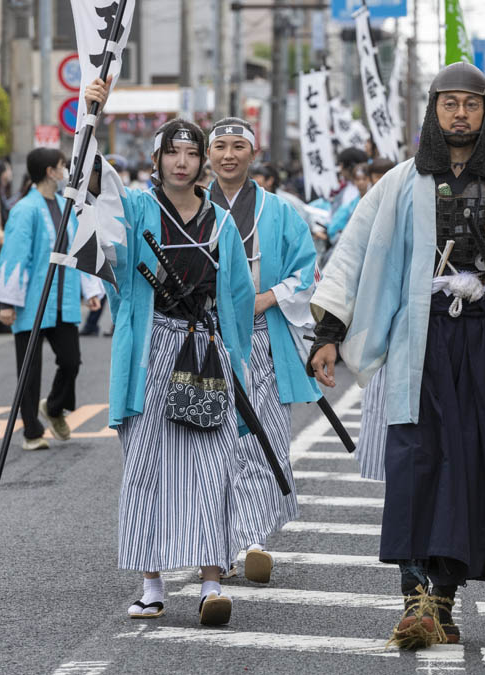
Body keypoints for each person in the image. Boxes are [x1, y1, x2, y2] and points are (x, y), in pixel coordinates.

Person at [308, 62, 485, 648]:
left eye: (470, 104)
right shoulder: (400, 181)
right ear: (433, 110)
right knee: (416, 461)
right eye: (449, 103)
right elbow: (351, 256)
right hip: (418, 343)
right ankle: (413, 597)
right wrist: (328, 332)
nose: (459, 113)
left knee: (475, 465)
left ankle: (444, 599)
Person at [85, 76, 257, 627]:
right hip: (151, 349)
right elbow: (91, 187)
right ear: (155, 159)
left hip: (206, 351)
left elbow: (236, 298)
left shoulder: (221, 222)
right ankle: (152, 585)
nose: (182, 162)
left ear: (203, 162)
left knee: (212, 466)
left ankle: (211, 584)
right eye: (172, 153)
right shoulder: (136, 210)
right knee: (147, 465)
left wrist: (238, 368)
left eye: (191, 153)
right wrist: (92, 116)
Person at [206, 116, 321, 583]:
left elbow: (306, 270)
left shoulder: (281, 212)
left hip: (260, 337)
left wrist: (267, 297)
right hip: (204, 340)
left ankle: (252, 538)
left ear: (253, 154)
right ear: (207, 155)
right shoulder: (187, 208)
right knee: (210, 444)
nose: (228, 155)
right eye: (220, 147)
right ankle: (214, 543)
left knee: (261, 436)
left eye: (238, 146)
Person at [0, 148, 103, 451]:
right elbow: (14, 256)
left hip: (62, 300)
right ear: (50, 172)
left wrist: (90, 290)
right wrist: (7, 302)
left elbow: (79, 251)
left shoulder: (65, 205)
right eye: (62, 166)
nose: (66, 170)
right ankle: (31, 431)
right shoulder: (25, 209)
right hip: (30, 301)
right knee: (29, 369)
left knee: (71, 362)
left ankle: (53, 407)